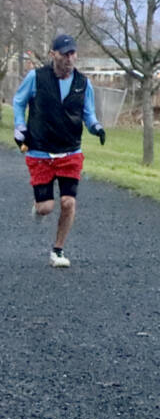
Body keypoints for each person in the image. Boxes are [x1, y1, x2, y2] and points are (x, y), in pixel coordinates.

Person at [12, 34, 106, 268]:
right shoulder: (36, 77)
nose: (69, 58)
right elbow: (18, 101)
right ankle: (38, 206)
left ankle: (58, 251)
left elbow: (88, 112)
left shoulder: (83, 83)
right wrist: (19, 125)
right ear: (53, 54)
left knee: (68, 202)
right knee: (46, 208)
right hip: (41, 151)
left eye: (72, 53)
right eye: (64, 53)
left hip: (70, 151)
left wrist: (96, 127)